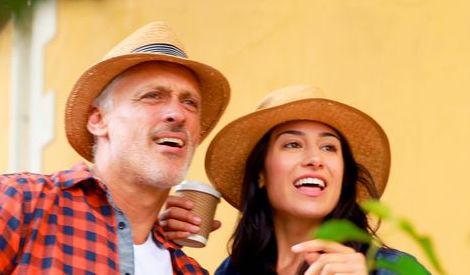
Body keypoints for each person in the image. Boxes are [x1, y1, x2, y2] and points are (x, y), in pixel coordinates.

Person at [0, 21, 231, 274]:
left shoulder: (188, 270)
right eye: (152, 95)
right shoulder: (19, 203)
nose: (178, 113)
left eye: (190, 103)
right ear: (98, 120)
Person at [159, 85, 429, 275]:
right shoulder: (232, 271)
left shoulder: (395, 269)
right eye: (292, 144)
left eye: (329, 147)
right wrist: (157, 245)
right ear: (260, 174)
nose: (315, 159)